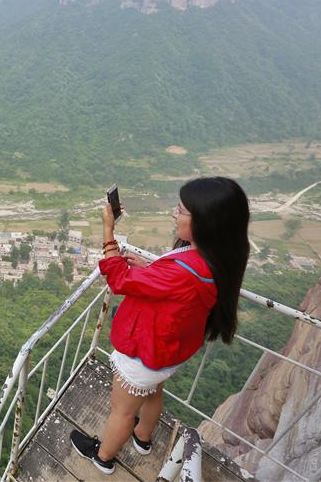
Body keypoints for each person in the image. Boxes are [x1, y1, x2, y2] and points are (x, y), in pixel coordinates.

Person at [71, 177, 250, 475]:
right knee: (153, 392)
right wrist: (152, 269)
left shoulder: (185, 270)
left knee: (122, 410)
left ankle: (102, 457)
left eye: (180, 211)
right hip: (169, 352)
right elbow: (179, 288)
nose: (173, 214)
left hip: (145, 351)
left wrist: (108, 230)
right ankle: (142, 439)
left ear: (206, 222)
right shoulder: (215, 259)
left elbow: (119, 280)